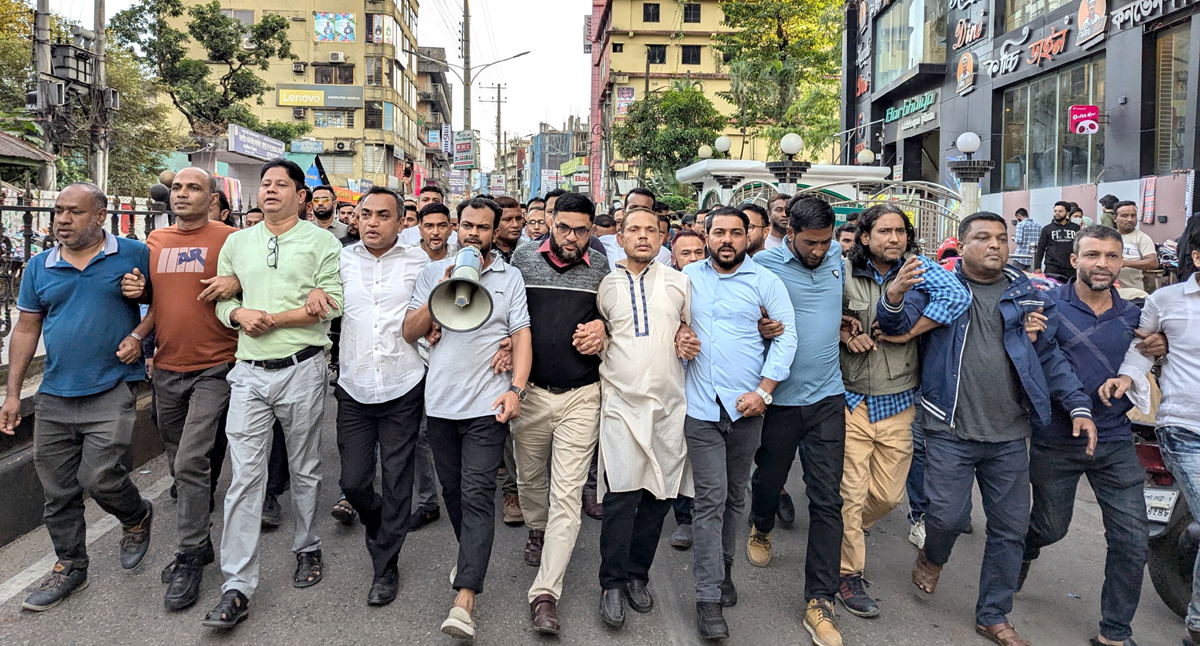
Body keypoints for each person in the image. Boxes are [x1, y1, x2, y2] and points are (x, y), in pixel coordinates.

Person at [897, 211, 1097, 646]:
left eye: (1002, 238)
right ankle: (932, 556)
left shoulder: (1029, 297)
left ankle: (994, 614)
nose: (995, 245)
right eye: (983, 237)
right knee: (946, 518)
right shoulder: (940, 289)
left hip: (1008, 435)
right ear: (961, 244)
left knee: (1010, 529)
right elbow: (898, 329)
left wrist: (1078, 405)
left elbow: (1050, 358)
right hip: (949, 427)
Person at [202, 159, 344, 629]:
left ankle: (307, 546)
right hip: (248, 372)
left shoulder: (323, 241)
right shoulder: (237, 242)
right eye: (265, 184)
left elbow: (330, 304)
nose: (270, 190)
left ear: (301, 196)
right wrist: (238, 315)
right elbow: (222, 300)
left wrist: (273, 319)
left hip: (303, 368)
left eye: (281, 184)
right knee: (244, 477)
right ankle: (237, 585)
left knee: (305, 467)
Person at [2, 183, 155, 612]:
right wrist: (14, 394)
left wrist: (138, 334)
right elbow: (27, 328)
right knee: (58, 489)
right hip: (54, 392)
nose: (62, 220)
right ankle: (71, 565)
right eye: (58, 212)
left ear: (100, 216)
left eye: (74, 212)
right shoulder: (39, 266)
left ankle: (136, 516)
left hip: (111, 384)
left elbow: (160, 303)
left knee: (101, 476)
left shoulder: (132, 254)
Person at [403, 196, 533, 640]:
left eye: (484, 227)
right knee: (455, 492)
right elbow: (408, 332)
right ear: (457, 227)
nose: (474, 233)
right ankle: (469, 555)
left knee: (478, 494)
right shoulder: (428, 274)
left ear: (496, 232)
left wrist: (515, 389)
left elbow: (522, 336)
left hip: (487, 405)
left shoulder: (509, 277)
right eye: (468, 225)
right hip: (440, 405)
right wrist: (440, 293)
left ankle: (465, 598)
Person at [833, 203, 971, 619]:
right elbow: (816, 314)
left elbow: (959, 298)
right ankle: (847, 574)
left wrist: (909, 332)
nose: (894, 239)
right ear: (864, 237)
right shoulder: (840, 271)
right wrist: (841, 329)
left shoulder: (919, 269)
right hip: (851, 399)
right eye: (884, 231)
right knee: (850, 495)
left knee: (889, 497)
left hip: (898, 401)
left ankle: (850, 532)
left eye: (900, 232)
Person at [1020, 226, 1156, 646]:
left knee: (1133, 539)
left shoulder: (1135, 315)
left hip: (1115, 439)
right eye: (1093, 255)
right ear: (1074, 259)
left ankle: (1115, 632)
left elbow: (1148, 351)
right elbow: (1033, 358)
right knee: (1050, 527)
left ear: (1121, 263)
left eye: (1112, 256)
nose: (1103, 264)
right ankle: (1023, 547)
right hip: (1056, 438)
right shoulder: (1045, 306)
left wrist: (1160, 343)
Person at [681, 205, 797, 640]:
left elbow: (787, 335)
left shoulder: (766, 281)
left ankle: (724, 569)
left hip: (747, 408)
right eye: (719, 233)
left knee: (734, 498)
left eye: (735, 233)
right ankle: (707, 596)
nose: (726, 240)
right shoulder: (687, 279)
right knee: (710, 499)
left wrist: (764, 391)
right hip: (700, 408)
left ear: (749, 236)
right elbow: (669, 322)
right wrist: (679, 333)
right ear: (705, 235)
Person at [135, 168, 241, 611]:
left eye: (193, 188)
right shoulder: (153, 243)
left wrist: (237, 282)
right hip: (166, 367)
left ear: (212, 198)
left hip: (216, 366)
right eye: (177, 188)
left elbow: (262, 282)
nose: (182, 194)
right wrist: (142, 340)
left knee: (193, 459)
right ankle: (199, 539)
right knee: (178, 462)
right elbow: (153, 302)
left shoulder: (231, 239)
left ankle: (189, 554)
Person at [742, 196, 846, 646]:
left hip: (828, 397)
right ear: (789, 233)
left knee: (828, 500)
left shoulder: (838, 254)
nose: (819, 251)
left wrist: (851, 320)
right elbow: (742, 322)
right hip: (779, 400)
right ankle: (761, 525)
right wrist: (760, 327)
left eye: (825, 242)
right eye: (810, 242)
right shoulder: (764, 265)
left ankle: (820, 601)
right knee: (769, 480)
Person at [509, 192, 611, 634]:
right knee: (531, 480)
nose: (572, 237)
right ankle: (536, 527)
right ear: (550, 222)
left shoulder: (603, 268)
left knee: (567, 494)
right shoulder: (523, 259)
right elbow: (507, 315)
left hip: (581, 396)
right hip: (530, 393)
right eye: (564, 227)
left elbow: (618, 317)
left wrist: (604, 329)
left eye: (581, 230)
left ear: (592, 230)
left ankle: (546, 592)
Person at [589, 208, 695, 629]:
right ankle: (611, 582)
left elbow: (690, 330)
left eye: (651, 230)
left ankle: (638, 575)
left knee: (658, 496)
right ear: (621, 234)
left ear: (662, 236)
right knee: (621, 496)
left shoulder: (679, 282)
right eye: (634, 229)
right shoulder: (606, 284)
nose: (643, 236)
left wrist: (685, 336)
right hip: (620, 403)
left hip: (669, 406)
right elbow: (600, 331)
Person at [327, 187, 429, 606]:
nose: (371, 222)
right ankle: (381, 522)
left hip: (403, 382)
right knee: (352, 482)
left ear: (402, 221)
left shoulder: (421, 263)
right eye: (365, 214)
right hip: (353, 384)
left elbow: (440, 308)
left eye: (382, 215)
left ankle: (386, 566)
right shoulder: (339, 260)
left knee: (398, 477)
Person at [1100, 225, 1200, 646]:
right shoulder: (1166, 301)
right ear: (1197, 256)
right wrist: (1126, 378)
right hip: (1185, 428)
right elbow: (1139, 351)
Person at [1112, 201, 1158, 291]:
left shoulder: (1142, 238)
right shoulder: (1110, 237)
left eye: (1133, 215)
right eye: (1124, 216)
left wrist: (1125, 263)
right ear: (1115, 218)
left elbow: (1153, 262)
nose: (1130, 219)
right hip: (1110, 291)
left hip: (1133, 292)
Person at [1034, 200, 1080, 280]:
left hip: (1071, 268)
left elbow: (1080, 246)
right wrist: (1037, 267)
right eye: (1055, 211)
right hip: (1052, 267)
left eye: (1060, 211)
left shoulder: (1076, 228)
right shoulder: (1047, 229)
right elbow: (1041, 248)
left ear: (1067, 213)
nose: (1057, 213)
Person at [493, 196, 526, 261]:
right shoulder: (483, 251)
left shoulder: (531, 251)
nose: (515, 225)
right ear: (494, 222)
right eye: (508, 220)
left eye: (518, 219)